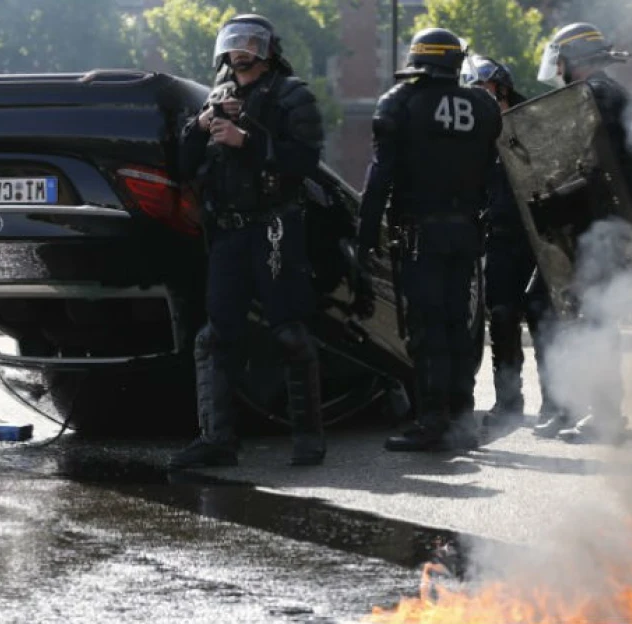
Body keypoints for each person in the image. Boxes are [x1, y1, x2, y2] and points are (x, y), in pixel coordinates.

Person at [169, 14, 327, 468]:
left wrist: (248, 139)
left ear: (268, 50)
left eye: (251, 44)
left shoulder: (292, 95)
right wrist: (200, 128)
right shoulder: (217, 96)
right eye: (234, 43)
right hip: (229, 232)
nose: (241, 51)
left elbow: (304, 161)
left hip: (275, 226)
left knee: (290, 333)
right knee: (214, 337)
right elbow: (184, 166)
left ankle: (308, 439)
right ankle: (218, 440)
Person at [355, 28, 502, 452]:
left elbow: (379, 177)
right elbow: (496, 175)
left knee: (426, 327)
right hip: (467, 234)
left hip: (420, 235)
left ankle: (432, 420)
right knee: (460, 325)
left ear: (418, 60)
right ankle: (462, 418)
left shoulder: (400, 103)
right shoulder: (484, 105)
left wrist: (364, 240)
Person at [528, 23, 632, 444]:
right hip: (602, 225)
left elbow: (595, 173)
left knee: (595, 318)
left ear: (573, 61)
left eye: (562, 61)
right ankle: (580, 407)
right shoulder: (615, 96)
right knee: (581, 312)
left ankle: (602, 415)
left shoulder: (594, 97)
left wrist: (552, 204)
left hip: (595, 227)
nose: (558, 69)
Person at [459, 55, 564, 430]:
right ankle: (508, 402)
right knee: (501, 318)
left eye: (482, 88)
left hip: (537, 237)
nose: (476, 96)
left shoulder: (530, 125)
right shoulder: (474, 136)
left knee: (542, 317)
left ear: (500, 87)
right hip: (499, 238)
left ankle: (555, 402)